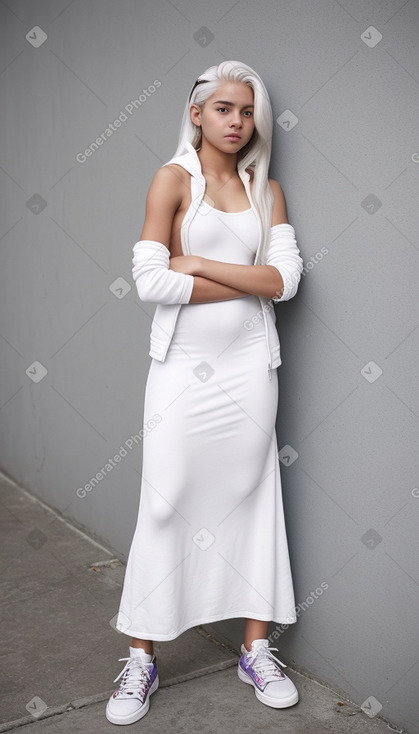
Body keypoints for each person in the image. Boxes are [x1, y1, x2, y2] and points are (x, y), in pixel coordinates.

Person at [106, 60, 303, 726]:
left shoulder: (265, 190)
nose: (237, 122)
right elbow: (151, 284)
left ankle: (255, 649)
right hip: (182, 366)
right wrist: (248, 278)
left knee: (253, 500)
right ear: (196, 113)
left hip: (250, 366)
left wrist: (196, 263)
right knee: (163, 505)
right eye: (224, 109)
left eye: (246, 111)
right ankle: (141, 659)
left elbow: (287, 281)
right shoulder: (171, 180)